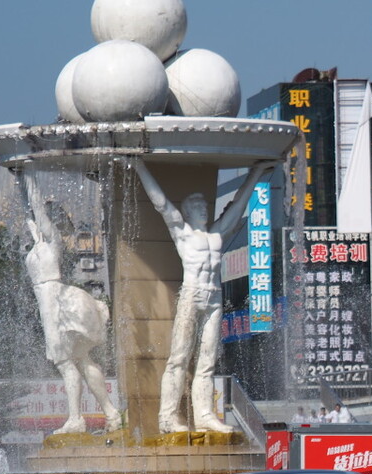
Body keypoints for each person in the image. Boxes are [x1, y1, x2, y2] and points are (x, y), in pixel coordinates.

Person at [129, 157, 277, 434]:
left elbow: (239, 205)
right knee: (179, 358)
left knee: (208, 360)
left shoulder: (216, 235)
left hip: (214, 298)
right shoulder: (183, 233)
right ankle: (167, 418)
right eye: (196, 206)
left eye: (203, 204)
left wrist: (255, 172)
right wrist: (139, 167)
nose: (203, 208)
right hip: (191, 295)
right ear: (186, 211)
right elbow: (161, 204)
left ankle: (205, 415)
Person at [20, 168, 122, 435]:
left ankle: (76, 419)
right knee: (81, 360)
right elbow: (29, 211)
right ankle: (111, 412)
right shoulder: (38, 243)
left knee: (66, 362)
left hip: (54, 303)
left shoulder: (52, 240)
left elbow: (36, 210)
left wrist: (29, 177)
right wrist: (22, 179)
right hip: (50, 302)